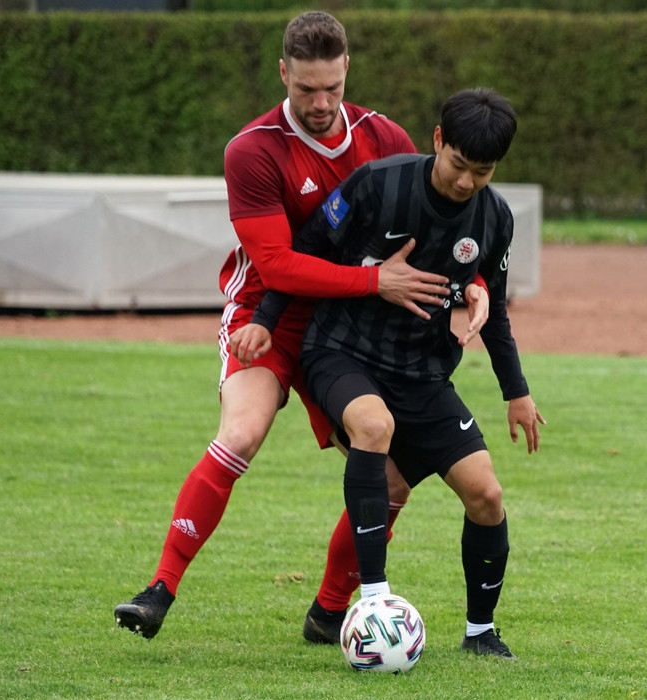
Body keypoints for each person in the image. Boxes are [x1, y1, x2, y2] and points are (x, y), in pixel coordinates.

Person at [112, 11, 489, 642]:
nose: (320, 103)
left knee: (392, 472)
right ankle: (159, 590)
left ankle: (330, 611)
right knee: (242, 432)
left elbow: (441, 229)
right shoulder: (253, 149)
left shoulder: (384, 137)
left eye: (332, 88)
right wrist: (376, 282)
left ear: (347, 71)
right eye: (306, 88)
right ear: (283, 72)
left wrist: (473, 286)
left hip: (348, 329)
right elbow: (278, 265)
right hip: (267, 319)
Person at [231, 87, 546, 658]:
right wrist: (265, 321)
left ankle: (480, 633)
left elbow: (494, 308)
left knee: (487, 494)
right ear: (437, 140)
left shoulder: (495, 217)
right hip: (342, 352)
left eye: (482, 171)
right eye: (458, 164)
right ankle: (373, 603)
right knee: (374, 428)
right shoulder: (380, 183)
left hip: (423, 374)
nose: (466, 182)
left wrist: (516, 392)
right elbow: (306, 247)